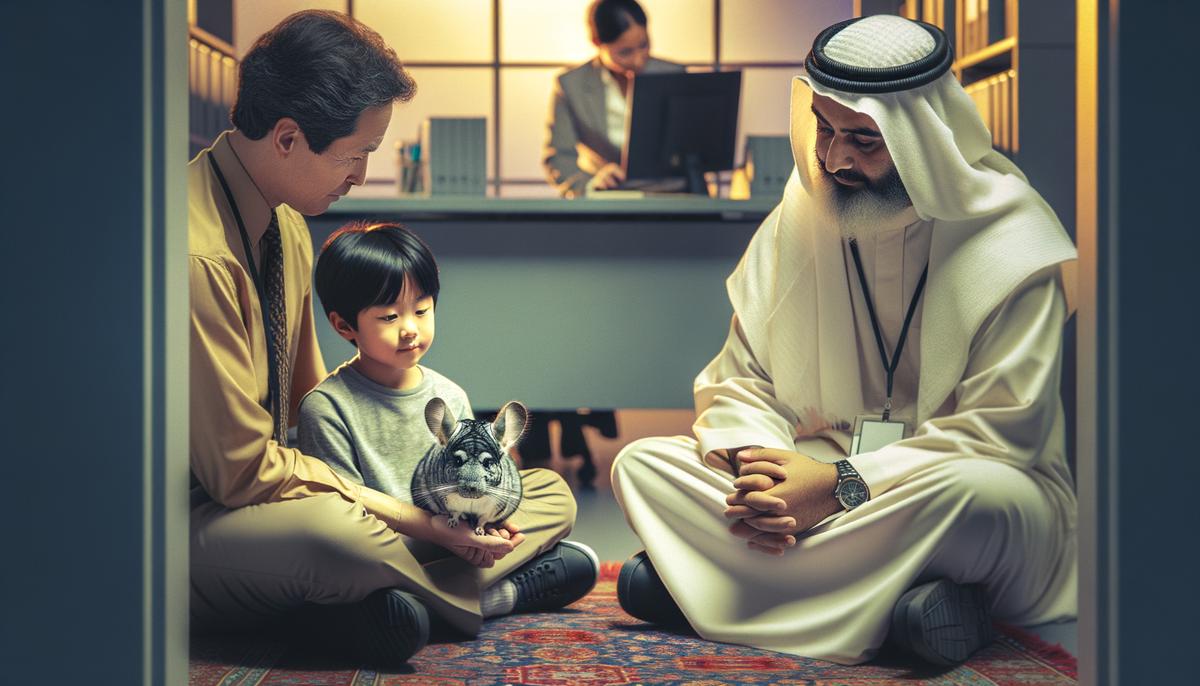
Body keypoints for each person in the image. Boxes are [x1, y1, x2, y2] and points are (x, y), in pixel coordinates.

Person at [611, 15, 1078, 667]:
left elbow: (999, 437)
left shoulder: (1010, 238)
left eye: (863, 140)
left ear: (924, 139)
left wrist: (842, 485)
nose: (834, 159)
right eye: (825, 130)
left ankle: (712, 589)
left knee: (976, 500)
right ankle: (907, 611)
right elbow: (740, 381)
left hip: (929, 488)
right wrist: (765, 473)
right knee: (641, 464)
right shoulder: (803, 215)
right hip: (814, 473)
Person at [188, 11, 587, 667]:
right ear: (288, 138)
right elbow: (242, 476)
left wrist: (421, 506)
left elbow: (305, 403)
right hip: (196, 525)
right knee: (334, 534)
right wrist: (420, 523)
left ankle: (381, 605)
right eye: (358, 154)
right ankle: (482, 598)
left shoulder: (284, 221)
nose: (363, 176)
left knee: (540, 492)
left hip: (279, 499)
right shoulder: (198, 255)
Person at [297, 221, 598, 609]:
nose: (410, 329)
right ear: (343, 325)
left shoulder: (449, 395)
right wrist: (435, 532)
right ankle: (496, 595)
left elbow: (479, 484)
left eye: (421, 310)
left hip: (453, 538)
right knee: (345, 545)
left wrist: (487, 526)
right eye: (389, 317)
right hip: (391, 543)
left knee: (553, 493)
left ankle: (419, 603)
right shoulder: (327, 406)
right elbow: (343, 513)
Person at [542, 0, 684, 197]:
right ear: (597, 43)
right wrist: (591, 184)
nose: (638, 59)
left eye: (644, 45)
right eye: (625, 52)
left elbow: (693, 150)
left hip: (672, 197)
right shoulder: (570, 85)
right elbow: (558, 157)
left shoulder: (674, 75)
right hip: (606, 199)